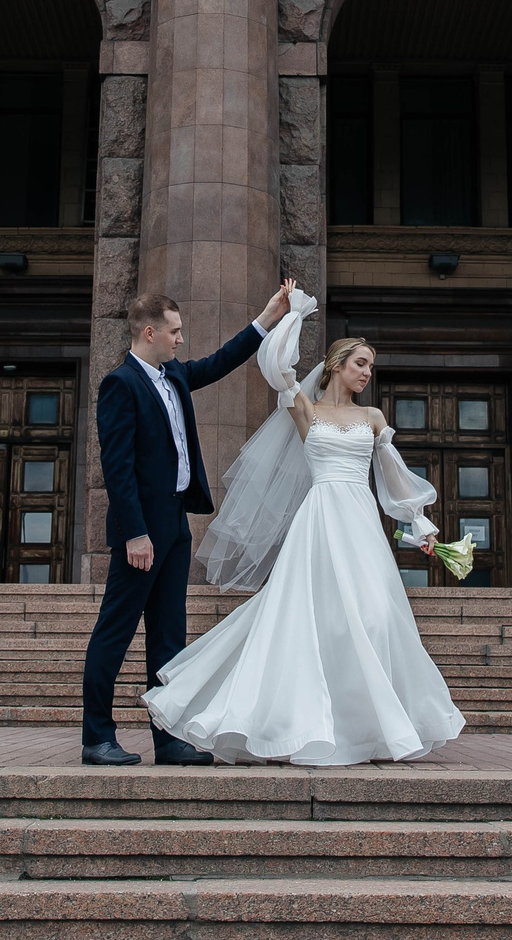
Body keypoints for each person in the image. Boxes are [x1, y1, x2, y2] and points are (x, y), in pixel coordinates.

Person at [142, 294, 467, 767]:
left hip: (360, 523)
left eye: (371, 366)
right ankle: (299, 724)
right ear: (336, 365)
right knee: (310, 618)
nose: (367, 373)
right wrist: (294, 313)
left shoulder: (373, 418)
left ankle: (368, 727)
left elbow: (395, 479)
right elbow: (276, 364)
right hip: (319, 521)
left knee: (376, 615)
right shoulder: (304, 409)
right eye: (360, 363)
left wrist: (420, 525)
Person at [80, 280, 293, 767]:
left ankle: (169, 739)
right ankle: (97, 738)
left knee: (169, 637)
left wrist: (269, 316)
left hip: (175, 524)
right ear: (149, 332)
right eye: (174, 331)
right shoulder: (121, 384)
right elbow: (117, 468)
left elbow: (219, 362)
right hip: (141, 532)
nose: (181, 339)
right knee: (114, 632)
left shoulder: (173, 375)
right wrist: (135, 533)